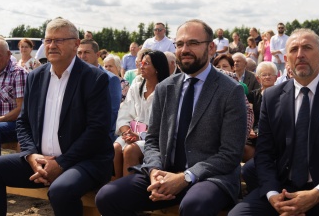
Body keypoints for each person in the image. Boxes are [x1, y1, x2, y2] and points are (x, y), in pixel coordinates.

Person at [95, 19, 247, 216]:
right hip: (164, 171)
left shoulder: (230, 91)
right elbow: (152, 140)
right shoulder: (165, 88)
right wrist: (154, 171)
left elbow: (230, 153)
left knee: (194, 206)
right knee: (108, 196)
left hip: (210, 177)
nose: (185, 49)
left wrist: (185, 177)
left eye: (193, 43)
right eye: (180, 44)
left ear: (211, 48)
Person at [0, 18, 114, 216]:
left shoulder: (94, 78)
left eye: (59, 40)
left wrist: (61, 163)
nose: (51, 46)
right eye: (48, 40)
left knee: (60, 190)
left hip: (84, 161)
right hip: (39, 160)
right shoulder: (35, 76)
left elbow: (97, 130)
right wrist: (31, 155)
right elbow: (23, 122)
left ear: (76, 44)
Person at [229, 28, 319, 216]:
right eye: (294, 50)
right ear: (286, 60)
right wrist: (273, 195)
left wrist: (317, 193)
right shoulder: (272, 97)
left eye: (307, 48)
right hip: (284, 187)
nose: (300, 55)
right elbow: (264, 154)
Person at [113, 50, 170, 179]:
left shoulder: (166, 91)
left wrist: (141, 135)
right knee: (115, 148)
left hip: (152, 139)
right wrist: (126, 132)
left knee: (130, 150)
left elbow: (164, 125)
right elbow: (124, 111)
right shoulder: (136, 86)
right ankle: (114, 188)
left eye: (147, 63)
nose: (141, 66)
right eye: (141, 62)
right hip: (131, 133)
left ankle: (129, 192)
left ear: (157, 68)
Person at [77, 39, 122, 142]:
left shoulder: (110, 79)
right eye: (79, 52)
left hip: (99, 139)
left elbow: (111, 114)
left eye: (86, 52)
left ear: (97, 55)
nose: (82, 56)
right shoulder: (72, 77)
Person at [244, 61, 277, 162]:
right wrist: (250, 129)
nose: (267, 77)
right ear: (258, 78)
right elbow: (249, 114)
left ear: (276, 77)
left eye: (270, 74)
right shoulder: (252, 96)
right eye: (264, 75)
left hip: (273, 133)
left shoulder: (282, 95)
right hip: (254, 134)